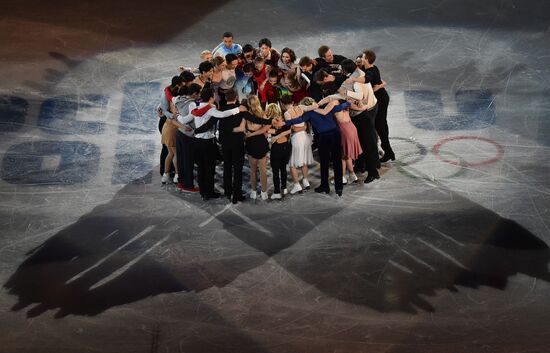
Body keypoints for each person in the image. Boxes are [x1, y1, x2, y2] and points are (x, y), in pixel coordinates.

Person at [177, 88, 244, 200]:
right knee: (209, 168)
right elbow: (223, 115)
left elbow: (184, 120)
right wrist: (238, 109)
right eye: (214, 95)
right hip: (208, 143)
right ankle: (209, 192)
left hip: (197, 142)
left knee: (201, 168)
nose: (216, 97)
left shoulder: (196, 107)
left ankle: (203, 192)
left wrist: (177, 115)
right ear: (211, 98)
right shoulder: (210, 109)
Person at [274, 98, 349, 196]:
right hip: (335, 134)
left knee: (324, 162)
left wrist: (284, 123)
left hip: (325, 137)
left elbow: (298, 120)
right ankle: (339, 188)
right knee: (337, 161)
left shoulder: (309, 114)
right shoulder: (325, 107)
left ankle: (325, 186)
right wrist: (348, 101)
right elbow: (341, 106)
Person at [353, 49, 395, 162]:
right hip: (379, 97)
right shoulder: (367, 68)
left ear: (366, 60)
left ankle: (389, 152)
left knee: (380, 126)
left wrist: (354, 79)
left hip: (380, 99)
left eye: (362, 57)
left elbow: (368, 79)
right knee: (381, 125)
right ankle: (389, 151)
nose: (360, 59)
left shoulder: (371, 71)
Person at [217, 89, 246, 203]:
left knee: (227, 167)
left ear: (225, 98)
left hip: (225, 143)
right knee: (238, 169)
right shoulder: (240, 109)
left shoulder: (220, 110)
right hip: (237, 143)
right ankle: (237, 194)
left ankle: (228, 192)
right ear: (236, 98)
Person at [172, 83, 202, 192]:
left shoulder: (179, 98)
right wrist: (180, 117)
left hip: (179, 133)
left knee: (181, 159)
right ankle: (188, 186)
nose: (200, 94)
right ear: (194, 94)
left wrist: (177, 115)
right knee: (188, 160)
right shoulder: (192, 104)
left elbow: (173, 102)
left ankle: (181, 182)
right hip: (187, 135)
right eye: (199, 92)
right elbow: (186, 120)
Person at [281, 95, 313, 194]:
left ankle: (297, 185)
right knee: (303, 161)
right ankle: (305, 181)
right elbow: (305, 125)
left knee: (292, 163)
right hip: (305, 137)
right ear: (292, 102)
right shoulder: (300, 108)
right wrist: (303, 128)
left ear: (282, 104)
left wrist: (299, 129)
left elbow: (293, 129)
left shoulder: (287, 113)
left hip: (296, 138)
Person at [243, 95, 272, 200]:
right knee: (263, 170)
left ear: (249, 104)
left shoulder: (246, 116)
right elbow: (268, 127)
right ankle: (264, 193)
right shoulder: (263, 115)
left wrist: (249, 134)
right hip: (261, 142)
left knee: (253, 170)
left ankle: (254, 191)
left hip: (251, 143)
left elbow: (243, 130)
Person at [158, 76, 183, 182]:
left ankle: (166, 174)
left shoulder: (171, 97)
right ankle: (177, 175)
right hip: (171, 126)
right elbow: (167, 113)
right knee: (175, 153)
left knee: (171, 153)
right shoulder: (173, 101)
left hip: (167, 127)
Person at [266, 103, 291, 200]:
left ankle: (277, 192)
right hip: (286, 147)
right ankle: (284, 188)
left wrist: (275, 135)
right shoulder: (284, 120)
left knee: (276, 171)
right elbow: (289, 130)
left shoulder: (270, 123)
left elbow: (268, 132)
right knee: (283, 169)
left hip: (276, 148)